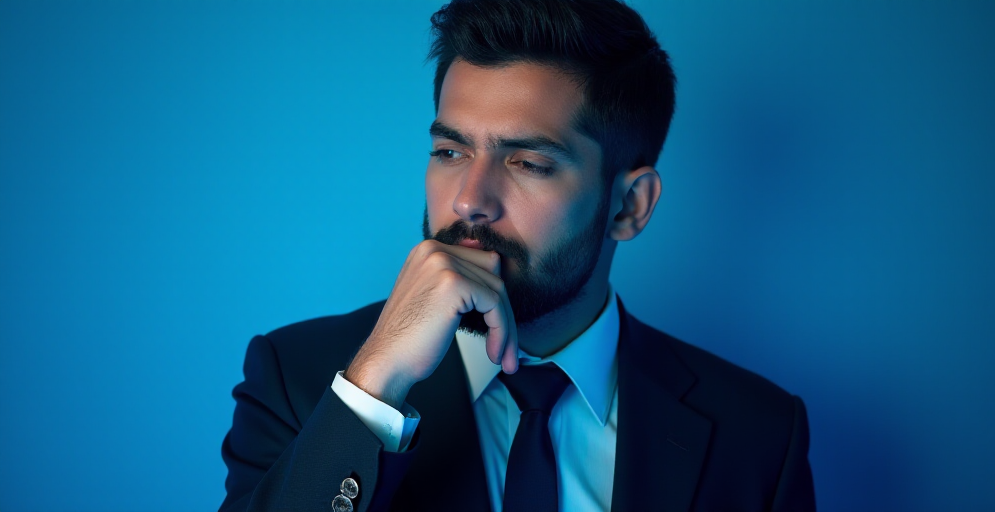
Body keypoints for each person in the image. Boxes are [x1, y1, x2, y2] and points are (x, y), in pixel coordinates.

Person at [219, 0, 816, 511]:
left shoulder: (758, 434)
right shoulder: (299, 382)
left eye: (528, 163)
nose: (469, 201)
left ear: (629, 206)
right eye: (451, 152)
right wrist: (375, 388)